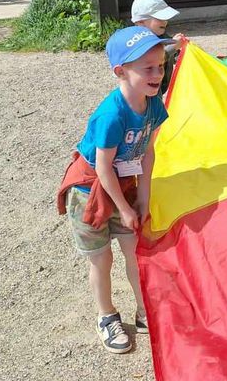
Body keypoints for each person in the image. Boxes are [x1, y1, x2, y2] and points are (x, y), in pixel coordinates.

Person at [55, 26, 170, 354]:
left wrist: (143, 197)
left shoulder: (153, 105)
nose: (157, 73)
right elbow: (103, 167)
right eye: (147, 68)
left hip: (123, 186)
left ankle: (144, 310)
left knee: (135, 249)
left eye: (160, 66)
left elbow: (148, 151)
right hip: (89, 189)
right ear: (120, 71)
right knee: (101, 259)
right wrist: (123, 207)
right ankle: (106, 316)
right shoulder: (111, 114)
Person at [131, 0, 186, 95]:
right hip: (144, 91)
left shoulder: (162, 36)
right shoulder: (137, 42)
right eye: (160, 18)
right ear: (140, 22)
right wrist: (173, 47)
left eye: (166, 18)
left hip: (158, 89)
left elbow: (172, 57)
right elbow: (153, 60)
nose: (165, 22)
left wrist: (182, 51)